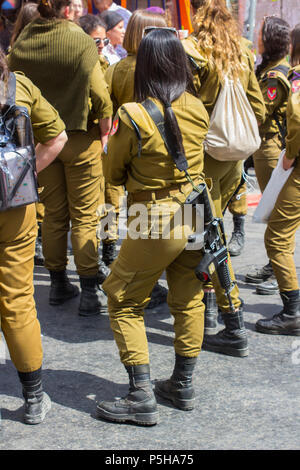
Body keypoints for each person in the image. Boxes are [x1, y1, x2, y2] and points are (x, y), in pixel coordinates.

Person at [9, 0, 113, 317]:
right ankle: (89, 292)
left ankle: (57, 284)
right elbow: (99, 93)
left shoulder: (22, 41)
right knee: (85, 216)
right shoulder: (80, 40)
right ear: (67, 10)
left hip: (42, 140)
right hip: (80, 138)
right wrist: (106, 126)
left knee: (53, 215)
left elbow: (13, 89)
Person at [182, 0, 265, 355]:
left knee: (203, 239)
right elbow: (258, 108)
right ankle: (212, 310)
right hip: (232, 162)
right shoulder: (242, 54)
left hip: (200, 159)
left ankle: (231, 322)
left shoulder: (191, 52)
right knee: (209, 237)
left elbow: (183, 110)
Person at [0, 49, 68, 424]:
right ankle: (33, 398)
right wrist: (23, 175)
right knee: (17, 300)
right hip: (15, 207)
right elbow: (56, 136)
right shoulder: (17, 86)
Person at [103, 9, 169, 308]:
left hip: (131, 149)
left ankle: (127, 270)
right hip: (175, 151)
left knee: (134, 215)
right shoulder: (175, 67)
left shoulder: (117, 69)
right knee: (185, 223)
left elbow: (106, 109)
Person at [255, 24, 300, 336]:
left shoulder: (291, 75)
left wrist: (290, 153)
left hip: (289, 158)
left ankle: (292, 310)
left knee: (277, 235)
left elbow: (296, 118)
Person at [244, 16, 291, 296]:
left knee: (277, 213)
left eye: (261, 32)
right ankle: (274, 264)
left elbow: (260, 112)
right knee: (273, 210)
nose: (256, 35)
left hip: (271, 147)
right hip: (264, 146)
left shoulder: (276, 75)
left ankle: (281, 271)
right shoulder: (268, 68)